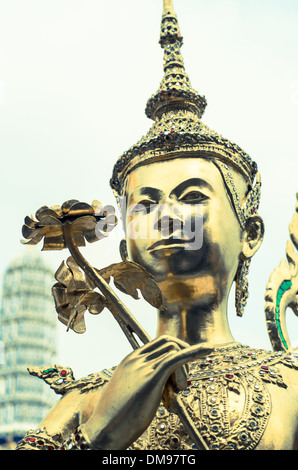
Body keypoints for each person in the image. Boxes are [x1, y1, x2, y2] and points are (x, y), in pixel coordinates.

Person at [16, 1, 298, 451]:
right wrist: (100, 433)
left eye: (190, 197)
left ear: (250, 234)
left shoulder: (290, 386)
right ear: (126, 247)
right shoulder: (89, 399)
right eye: (144, 205)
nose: (165, 217)